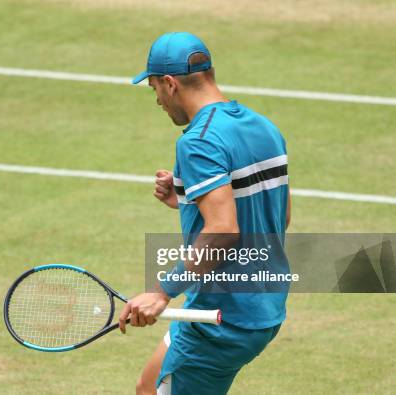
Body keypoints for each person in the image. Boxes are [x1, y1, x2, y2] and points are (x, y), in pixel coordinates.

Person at [118, 32, 292, 395]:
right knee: (147, 388)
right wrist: (187, 198)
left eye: (154, 90)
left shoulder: (197, 141)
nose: (158, 102)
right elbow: (278, 215)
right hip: (261, 304)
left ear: (169, 84)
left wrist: (162, 291)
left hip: (221, 318)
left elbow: (225, 230)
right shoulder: (263, 126)